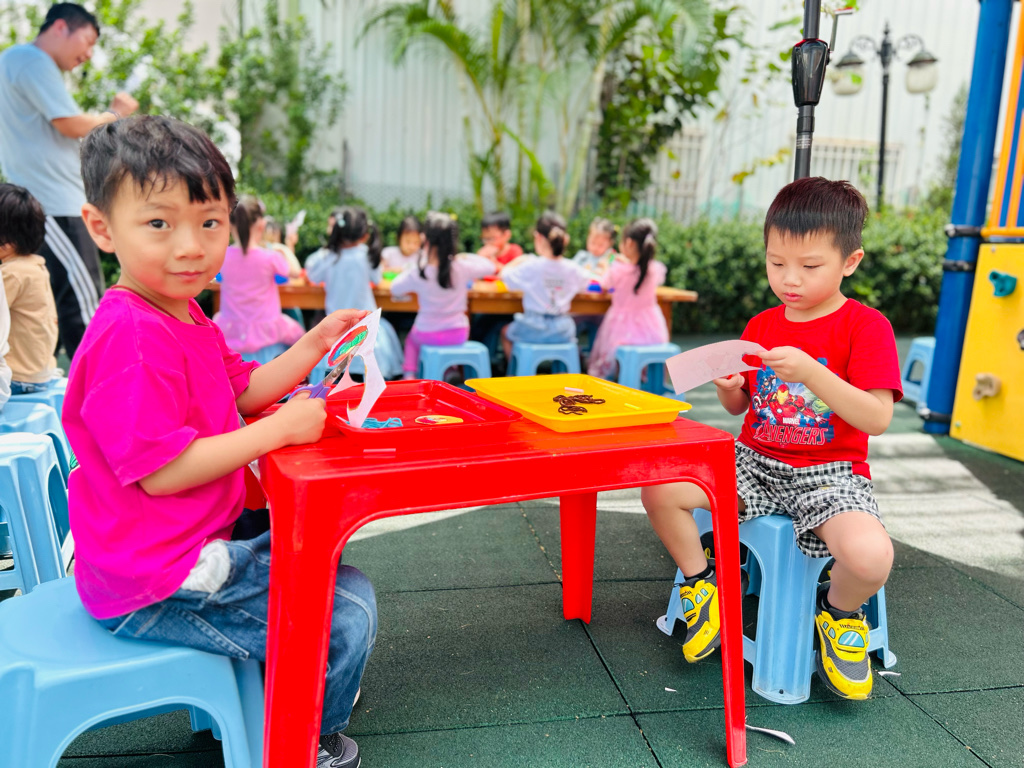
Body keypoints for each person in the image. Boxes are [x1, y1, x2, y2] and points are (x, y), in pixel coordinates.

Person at [66, 116, 374, 768]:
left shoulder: (183, 311)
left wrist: (314, 344)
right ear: (102, 228)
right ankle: (302, 745)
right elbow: (162, 472)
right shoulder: (132, 335)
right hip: (154, 581)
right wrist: (277, 431)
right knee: (344, 617)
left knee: (324, 560)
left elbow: (246, 389)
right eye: (159, 223)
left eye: (209, 223)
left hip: (186, 547)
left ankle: (259, 701)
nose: (191, 247)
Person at [642, 177, 902, 701]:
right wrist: (730, 389)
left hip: (829, 476)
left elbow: (876, 417)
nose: (789, 279)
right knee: (659, 485)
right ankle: (702, 584)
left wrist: (812, 373)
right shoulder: (762, 323)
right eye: (776, 262)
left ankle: (838, 613)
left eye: (810, 266)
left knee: (872, 557)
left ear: (850, 262)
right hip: (754, 462)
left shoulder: (866, 326)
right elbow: (744, 408)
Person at [0, 2, 138, 359]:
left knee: (51, 312)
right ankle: (103, 388)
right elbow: (71, 124)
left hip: (43, 202)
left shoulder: (15, 62)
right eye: (88, 41)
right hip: (57, 205)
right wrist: (115, 114)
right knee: (84, 308)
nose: (88, 54)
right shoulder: (32, 60)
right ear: (61, 27)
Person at [389, 211, 495, 378]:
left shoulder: (419, 271)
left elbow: (395, 288)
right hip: (458, 333)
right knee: (446, 346)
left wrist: (410, 269)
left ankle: (409, 374)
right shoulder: (461, 266)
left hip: (426, 332)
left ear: (425, 239)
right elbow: (490, 267)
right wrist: (465, 255)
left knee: (411, 340)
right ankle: (449, 370)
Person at [305, 205, 404, 379]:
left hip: (337, 330)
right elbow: (377, 279)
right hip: (366, 328)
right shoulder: (366, 255)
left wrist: (328, 248)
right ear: (364, 235)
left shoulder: (329, 256)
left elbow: (311, 270)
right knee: (386, 330)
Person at [213, 196, 305, 361]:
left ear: (229, 224)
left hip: (231, 332)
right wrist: (283, 247)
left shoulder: (221, 256)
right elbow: (296, 272)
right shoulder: (270, 258)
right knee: (302, 341)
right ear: (261, 225)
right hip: (267, 335)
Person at [499, 211, 591, 360]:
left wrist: (518, 261)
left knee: (505, 332)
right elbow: (588, 282)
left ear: (538, 237)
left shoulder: (531, 266)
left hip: (533, 327)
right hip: (562, 329)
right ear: (565, 239)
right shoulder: (573, 269)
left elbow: (505, 276)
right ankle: (562, 370)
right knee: (571, 336)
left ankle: (518, 372)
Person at [586, 218, 668, 380]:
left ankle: (620, 380)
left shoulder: (618, 270)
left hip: (621, 332)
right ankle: (646, 379)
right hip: (652, 333)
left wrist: (606, 268)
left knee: (608, 356)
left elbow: (603, 285)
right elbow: (639, 270)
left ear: (629, 243)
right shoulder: (654, 269)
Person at [0, 184, 61, 393]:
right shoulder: (35, 266)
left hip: (16, 378)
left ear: (7, 241)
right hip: (39, 375)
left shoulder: (11, 274)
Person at [571, 217, 618, 353]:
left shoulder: (611, 259)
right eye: (592, 243)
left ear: (610, 243)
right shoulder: (582, 257)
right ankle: (575, 354)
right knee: (569, 326)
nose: (595, 248)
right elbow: (569, 273)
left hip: (602, 308)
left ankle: (597, 356)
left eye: (601, 245)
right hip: (579, 306)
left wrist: (606, 269)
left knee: (605, 329)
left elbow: (615, 281)